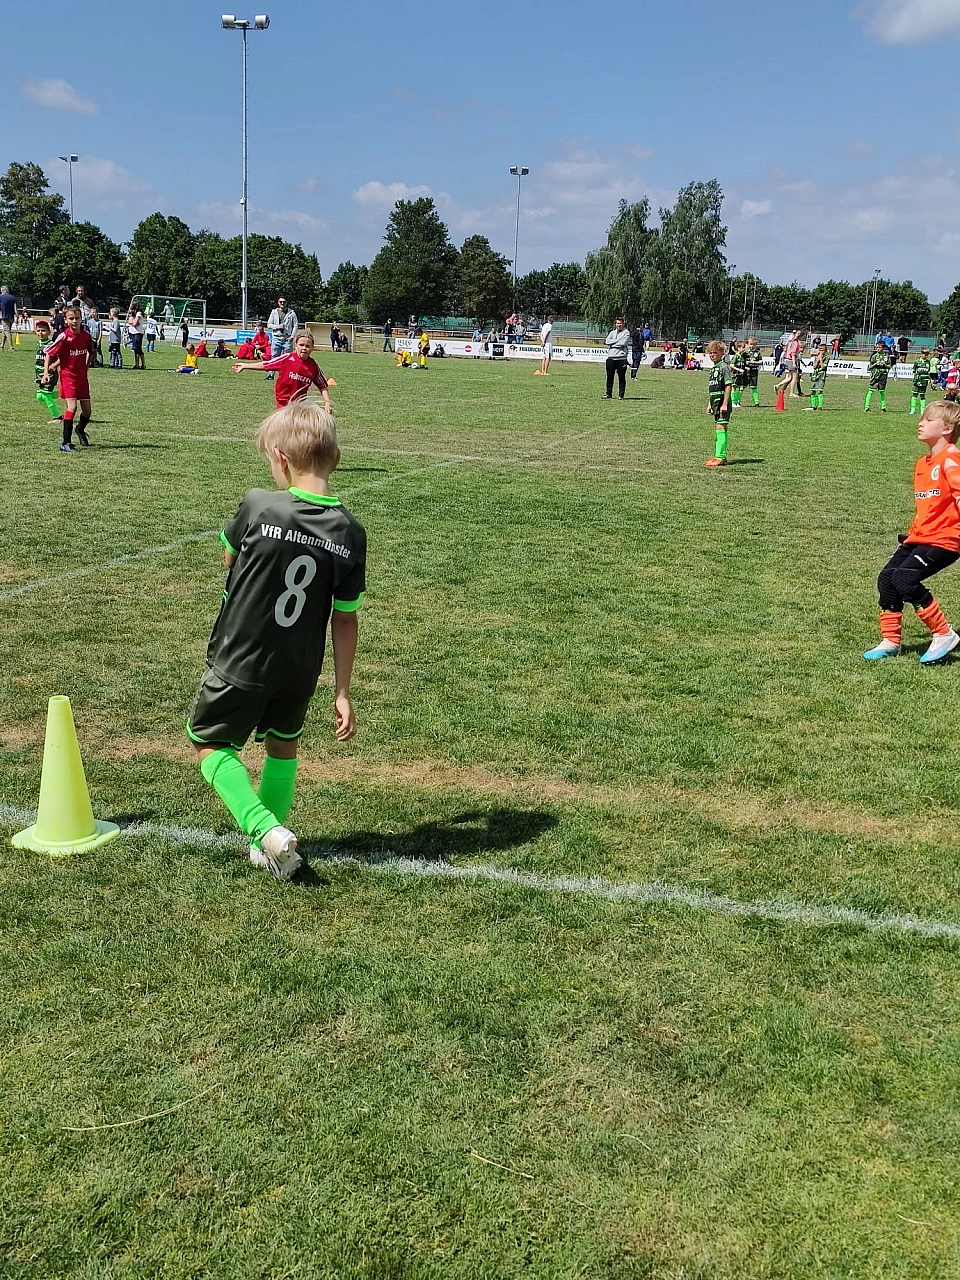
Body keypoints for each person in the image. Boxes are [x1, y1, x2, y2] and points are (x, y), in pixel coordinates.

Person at [185, 401, 366, 880]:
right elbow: (345, 618)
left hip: (242, 656)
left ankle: (263, 827)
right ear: (336, 457)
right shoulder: (351, 531)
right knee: (283, 748)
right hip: (300, 667)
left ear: (281, 458)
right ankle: (269, 850)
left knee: (208, 742)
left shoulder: (259, 504)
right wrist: (342, 691)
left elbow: (229, 560)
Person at [863, 401, 960, 664]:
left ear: (947, 428)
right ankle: (890, 641)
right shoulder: (922, 464)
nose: (921, 423)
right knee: (887, 579)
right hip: (920, 537)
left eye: (928, 420)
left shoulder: (951, 458)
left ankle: (943, 633)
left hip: (944, 539)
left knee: (905, 579)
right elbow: (927, 508)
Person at [233, 330, 332, 413]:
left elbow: (323, 386)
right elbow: (266, 364)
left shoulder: (313, 366)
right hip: (283, 404)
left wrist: (327, 402)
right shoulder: (286, 358)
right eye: (301, 345)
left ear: (312, 348)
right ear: (295, 345)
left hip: (299, 406)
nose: (304, 348)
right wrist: (245, 366)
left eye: (307, 346)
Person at [43, 306, 95, 451]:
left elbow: (91, 351)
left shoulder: (85, 336)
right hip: (68, 377)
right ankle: (65, 443)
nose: (74, 321)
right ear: (65, 320)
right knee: (72, 407)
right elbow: (49, 353)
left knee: (87, 411)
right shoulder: (64, 336)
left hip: (82, 378)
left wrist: (86, 367)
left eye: (77, 318)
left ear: (81, 319)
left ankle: (80, 429)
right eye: (71, 318)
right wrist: (46, 373)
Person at [704, 341, 733, 467]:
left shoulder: (724, 367)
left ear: (722, 353)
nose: (712, 355)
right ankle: (720, 455)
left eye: (715, 352)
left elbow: (728, 385)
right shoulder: (713, 369)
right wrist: (709, 404)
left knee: (720, 427)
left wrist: (725, 403)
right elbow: (713, 389)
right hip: (715, 402)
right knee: (720, 428)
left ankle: (719, 457)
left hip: (722, 402)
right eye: (710, 353)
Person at [33, 318, 61, 419]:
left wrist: (53, 366)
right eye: (38, 330)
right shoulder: (39, 343)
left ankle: (57, 417)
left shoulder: (51, 344)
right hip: (39, 374)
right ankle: (64, 394)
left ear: (49, 332)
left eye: (43, 330)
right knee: (39, 396)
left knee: (45, 395)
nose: (40, 333)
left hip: (49, 374)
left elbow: (62, 357)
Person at [266, 295, 298, 380]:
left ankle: (286, 375)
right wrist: (277, 326)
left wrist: (292, 336)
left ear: (286, 303)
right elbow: (269, 324)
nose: (282, 303)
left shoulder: (292, 313)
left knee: (288, 358)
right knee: (274, 357)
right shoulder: (274, 312)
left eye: (284, 302)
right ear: (278, 303)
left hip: (287, 339)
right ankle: (271, 375)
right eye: (281, 302)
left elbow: (295, 325)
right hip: (276, 338)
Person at [603, 318, 631, 399]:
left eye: (620, 323)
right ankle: (608, 394)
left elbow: (623, 343)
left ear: (623, 324)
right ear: (615, 324)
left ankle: (621, 395)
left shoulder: (626, 333)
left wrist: (612, 343)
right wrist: (617, 340)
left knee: (621, 377)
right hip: (611, 358)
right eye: (617, 323)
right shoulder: (612, 332)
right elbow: (607, 341)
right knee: (609, 377)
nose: (619, 325)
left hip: (621, 358)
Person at [864, 341, 890, 412]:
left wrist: (885, 365)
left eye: (879, 347)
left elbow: (889, 366)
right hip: (875, 376)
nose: (878, 348)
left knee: (882, 391)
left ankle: (883, 408)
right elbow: (870, 367)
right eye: (877, 347)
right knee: (871, 391)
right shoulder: (874, 356)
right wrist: (875, 363)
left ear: (883, 348)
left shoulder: (886, 356)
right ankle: (866, 407)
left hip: (883, 376)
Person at [806, 345, 829, 410]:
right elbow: (814, 366)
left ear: (825, 351)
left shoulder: (826, 358)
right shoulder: (816, 357)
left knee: (819, 391)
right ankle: (813, 405)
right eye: (820, 350)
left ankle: (819, 406)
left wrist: (820, 359)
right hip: (815, 376)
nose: (821, 351)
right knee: (813, 391)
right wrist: (817, 359)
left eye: (822, 350)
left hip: (821, 376)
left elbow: (823, 367)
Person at [743, 336, 763, 407]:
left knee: (754, 387)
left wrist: (754, 362)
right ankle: (736, 401)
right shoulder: (745, 352)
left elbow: (761, 361)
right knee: (742, 387)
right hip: (746, 372)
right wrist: (745, 364)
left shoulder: (757, 353)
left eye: (754, 344)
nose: (752, 346)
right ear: (748, 344)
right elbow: (741, 361)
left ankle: (756, 402)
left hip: (754, 371)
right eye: (750, 344)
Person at [911, 349, 932, 415]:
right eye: (924, 354)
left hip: (924, 381)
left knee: (922, 395)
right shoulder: (917, 361)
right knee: (914, 394)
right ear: (921, 354)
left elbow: (929, 371)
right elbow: (914, 370)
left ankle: (922, 410)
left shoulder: (928, 362)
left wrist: (929, 379)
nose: (925, 355)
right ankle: (912, 409)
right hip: (917, 380)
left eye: (927, 354)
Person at [729, 340, 748, 409]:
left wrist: (745, 367)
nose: (744, 349)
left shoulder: (742, 356)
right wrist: (738, 369)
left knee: (741, 388)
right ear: (738, 348)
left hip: (741, 375)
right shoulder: (736, 356)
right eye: (743, 347)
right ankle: (733, 402)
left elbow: (741, 365)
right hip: (735, 375)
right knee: (734, 387)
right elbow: (731, 365)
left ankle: (737, 401)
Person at [0, 285, 15, 352]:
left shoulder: (0, 297)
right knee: (5, 331)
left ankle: (11, 347)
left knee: (7, 331)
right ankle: (2, 345)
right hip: (11, 317)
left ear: (3, 290)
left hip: (4, 316)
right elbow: (15, 308)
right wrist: (17, 315)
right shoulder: (12, 297)